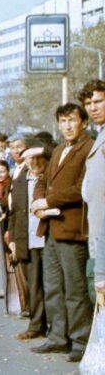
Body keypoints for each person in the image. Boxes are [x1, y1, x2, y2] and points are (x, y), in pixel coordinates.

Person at [31, 103, 94, 363]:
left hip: (73, 230)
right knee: (54, 287)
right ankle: (58, 336)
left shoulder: (89, 149)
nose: (67, 126)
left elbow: (83, 187)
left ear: (83, 123)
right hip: (52, 230)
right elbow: (43, 180)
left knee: (75, 290)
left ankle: (80, 341)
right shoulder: (58, 150)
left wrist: (49, 201)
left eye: (72, 120)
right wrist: (37, 202)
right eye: (62, 121)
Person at [11, 144, 52, 340]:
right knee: (34, 285)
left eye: (38, 158)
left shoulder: (50, 177)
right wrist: (12, 241)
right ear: (25, 160)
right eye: (30, 158)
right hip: (27, 239)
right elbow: (14, 213)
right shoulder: (20, 180)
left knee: (51, 285)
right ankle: (37, 324)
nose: (34, 162)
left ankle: (53, 326)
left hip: (48, 237)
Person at [78, 80, 105, 303]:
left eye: (98, 101)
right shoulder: (100, 136)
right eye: (89, 103)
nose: (93, 107)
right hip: (97, 234)